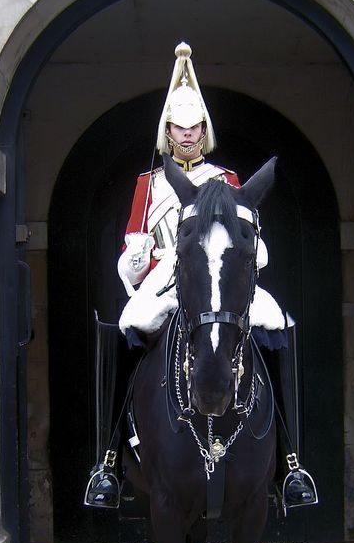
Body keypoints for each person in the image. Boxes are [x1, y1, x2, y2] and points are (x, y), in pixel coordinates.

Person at [84, 43, 317, 511]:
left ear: (204, 130)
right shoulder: (147, 185)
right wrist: (139, 253)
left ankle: (291, 460)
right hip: (167, 277)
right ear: (167, 132)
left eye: (194, 128)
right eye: (178, 128)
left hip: (220, 275)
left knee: (277, 325)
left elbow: (253, 243)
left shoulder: (229, 179)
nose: (187, 135)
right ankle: (108, 459)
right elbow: (129, 256)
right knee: (126, 326)